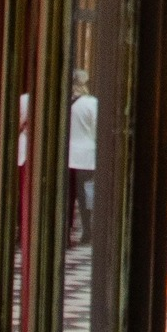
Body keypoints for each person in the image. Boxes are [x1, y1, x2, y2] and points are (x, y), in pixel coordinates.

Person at [68, 71, 98, 247]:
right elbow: (96, 128)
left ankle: (67, 231)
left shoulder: (66, 102)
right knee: (85, 195)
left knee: (70, 196)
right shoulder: (91, 103)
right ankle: (87, 230)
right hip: (86, 156)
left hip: (69, 155)